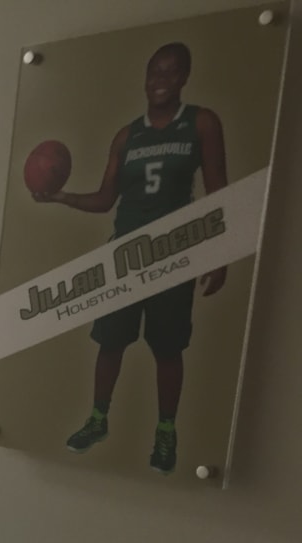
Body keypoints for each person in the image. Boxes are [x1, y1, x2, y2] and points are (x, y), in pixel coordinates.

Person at [34, 42, 227, 475]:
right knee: (110, 342)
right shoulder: (127, 136)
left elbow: (219, 192)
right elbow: (106, 199)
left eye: (170, 71)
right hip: (125, 255)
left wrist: (219, 255)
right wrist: (60, 196)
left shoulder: (200, 122)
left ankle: (166, 430)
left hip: (173, 253)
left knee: (168, 348)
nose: (160, 79)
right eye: (154, 71)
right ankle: (98, 419)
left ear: (184, 77)